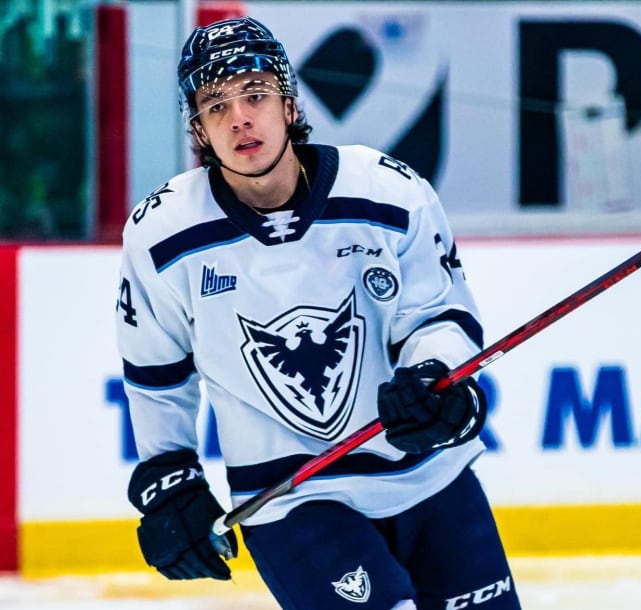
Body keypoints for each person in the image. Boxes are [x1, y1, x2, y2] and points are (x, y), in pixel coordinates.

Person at [116, 16, 522, 610]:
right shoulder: (162, 233)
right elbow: (157, 372)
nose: (239, 120)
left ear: (287, 102)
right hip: (291, 498)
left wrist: (435, 381)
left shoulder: (389, 191)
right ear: (198, 127)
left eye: (254, 95)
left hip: (429, 476)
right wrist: (170, 476)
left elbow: (439, 316)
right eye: (215, 105)